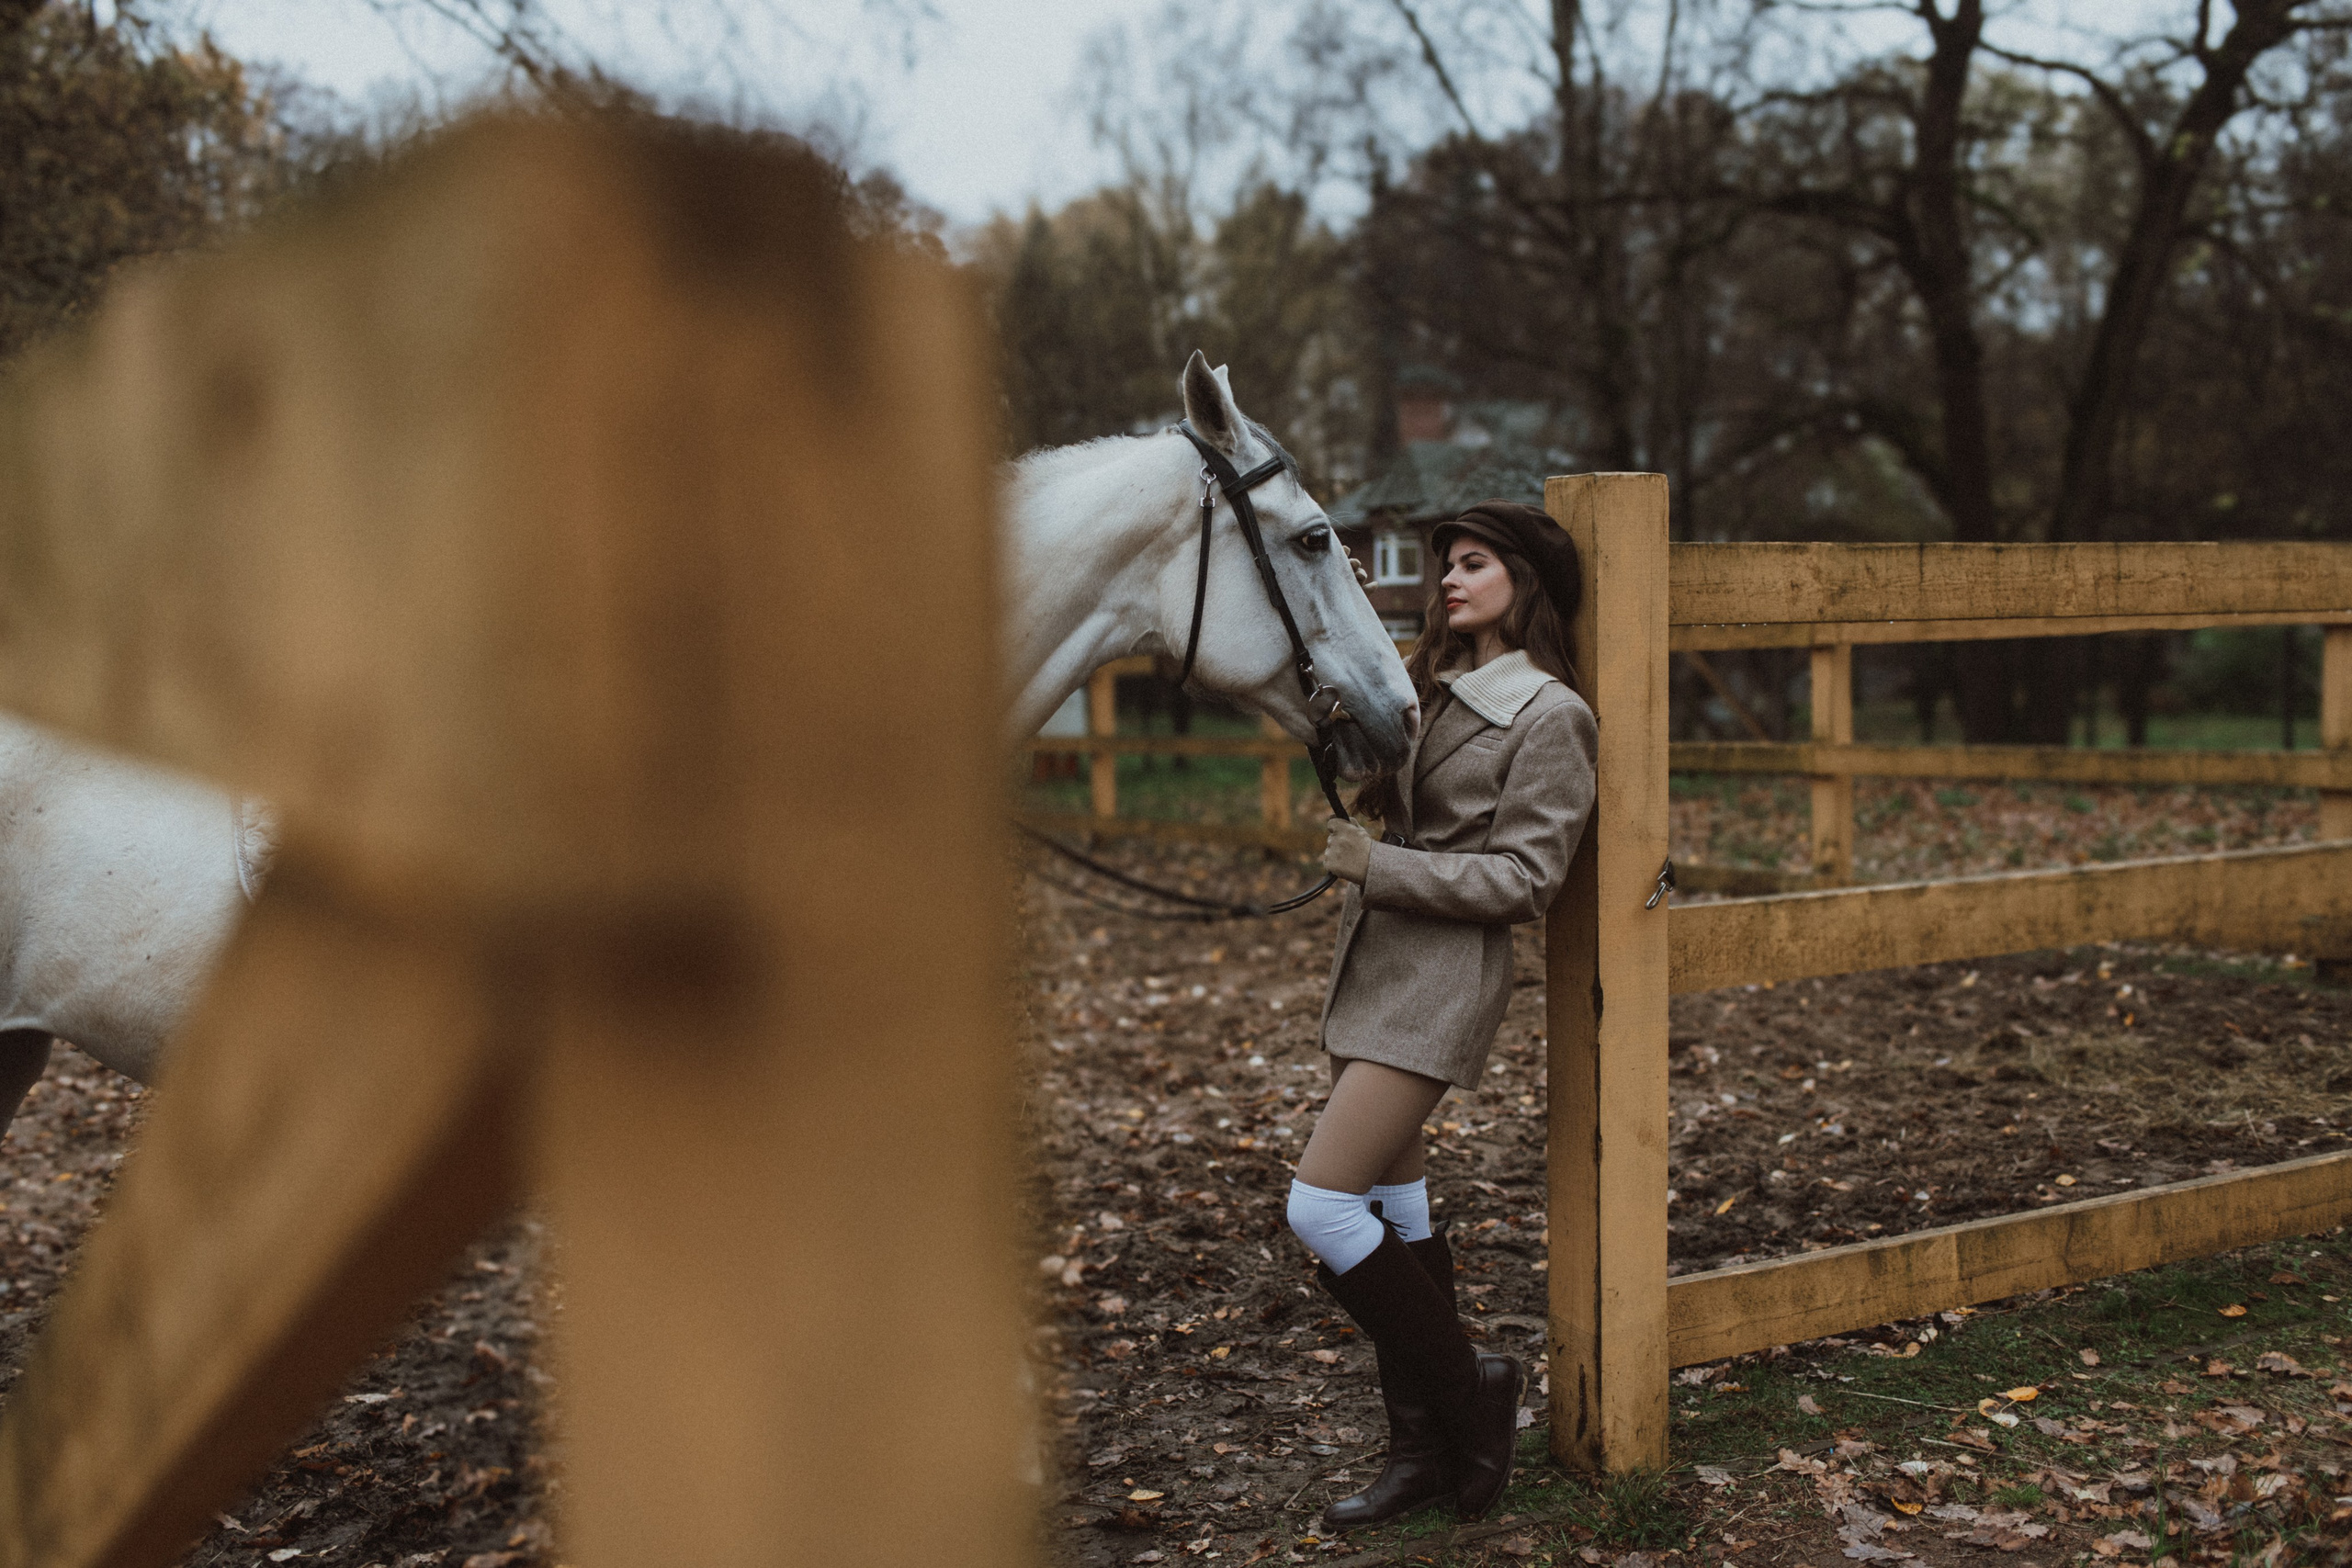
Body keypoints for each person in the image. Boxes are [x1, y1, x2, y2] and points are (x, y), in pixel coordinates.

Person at [1285, 501, 1598, 1534]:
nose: (1449, 581)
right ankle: (1424, 1452)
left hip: (1443, 979)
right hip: (1377, 968)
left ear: (1525, 579)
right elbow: (1406, 806)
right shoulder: (1427, 688)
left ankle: (1474, 1386)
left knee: (1321, 1210)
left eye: (1473, 565)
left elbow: (1526, 877)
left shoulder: (1551, 714)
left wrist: (1383, 866)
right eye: (1444, 567)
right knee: (1397, 1214)